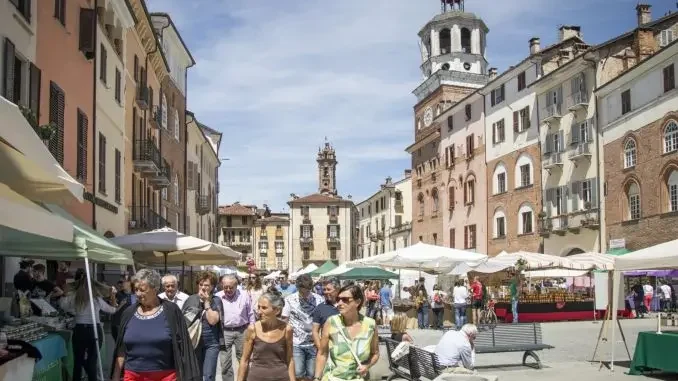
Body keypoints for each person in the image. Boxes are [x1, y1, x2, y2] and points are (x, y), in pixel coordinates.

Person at [111, 269, 200, 381]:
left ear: (155, 289)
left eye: (142, 290)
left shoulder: (171, 311)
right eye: (136, 289)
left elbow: (183, 346)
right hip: (133, 375)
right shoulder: (128, 313)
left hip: (166, 376)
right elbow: (121, 349)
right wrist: (115, 376)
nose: (138, 293)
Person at [314, 284, 380, 381]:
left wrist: (367, 366)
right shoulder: (331, 322)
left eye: (345, 299)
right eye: (338, 299)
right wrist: (317, 378)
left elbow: (375, 354)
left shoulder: (370, 325)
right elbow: (322, 354)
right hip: (333, 378)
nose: (339, 303)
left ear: (357, 302)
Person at [60, 272, 118, 381]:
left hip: (79, 330)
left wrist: (64, 295)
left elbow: (63, 306)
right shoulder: (96, 300)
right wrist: (113, 297)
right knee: (92, 360)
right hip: (94, 330)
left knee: (78, 360)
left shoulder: (74, 297)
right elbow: (112, 310)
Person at [237, 289, 294, 381]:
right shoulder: (252, 329)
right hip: (256, 378)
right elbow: (244, 360)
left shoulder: (287, 330)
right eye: (258, 307)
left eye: (264, 308)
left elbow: (290, 359)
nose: (259, 312)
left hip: (281, 377)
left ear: (277, 310)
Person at [183, 271, 224, 381]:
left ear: (213, 286)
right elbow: (185, 321)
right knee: (196, 375)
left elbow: (213, 321)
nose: (203, 287)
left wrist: (206, 303)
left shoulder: (216, 300)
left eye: (206, 285)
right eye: (201, 284)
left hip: (211, 343)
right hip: (194, 342)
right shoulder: (191, 299)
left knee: (209, 375)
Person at [282, 274, 324, 381]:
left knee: (312, 374)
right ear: (297, 288)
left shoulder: (319, 300)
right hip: (296, 343)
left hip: (313, 343)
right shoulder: (289, 300)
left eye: (307, 291)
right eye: (302, 291)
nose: (305, 294)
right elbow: (284, 320)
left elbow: (324, 322)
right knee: (298, 374)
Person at [216, 274, 255, 381]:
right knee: (225, 363)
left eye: (231, 287)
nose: (228, 290)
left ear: (236, 286)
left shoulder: (245, 295)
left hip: (242, 330)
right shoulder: (217, 296)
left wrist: (252, 330)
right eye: (225, 287)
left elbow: (251, 313)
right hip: (224, 331)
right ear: (222, 286)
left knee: (244, 359)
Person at [311, 278, 340, 349]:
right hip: (328, 349)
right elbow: (315, 331)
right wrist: (320, 348)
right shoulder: (320, 308)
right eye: (324, 289)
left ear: (337, 290)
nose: (326, 292)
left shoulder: (345, 305)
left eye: (328, 289)